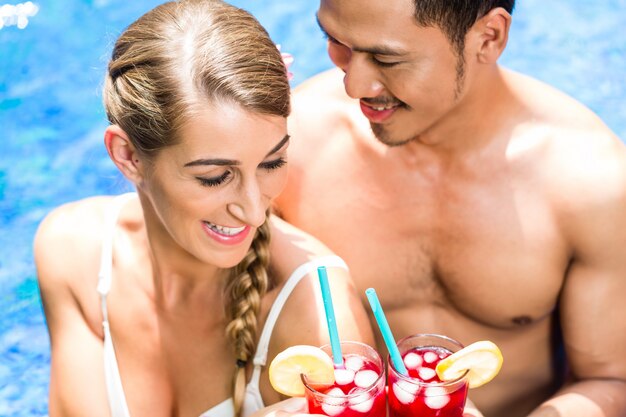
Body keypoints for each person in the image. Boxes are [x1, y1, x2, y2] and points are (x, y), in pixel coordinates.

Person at [274, 1, 626, 416]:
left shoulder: (589, 180)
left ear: (489, 37)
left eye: (387, 58)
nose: (353, 85)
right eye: (334, 40)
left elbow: (610, 379)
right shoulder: (289, 145)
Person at [33, 1, 374, 416]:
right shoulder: (73, 254)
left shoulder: (317, 312)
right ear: (128, 156)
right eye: (215, 176)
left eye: (272, 163)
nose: (253, 210)